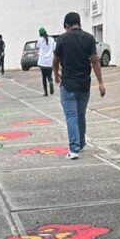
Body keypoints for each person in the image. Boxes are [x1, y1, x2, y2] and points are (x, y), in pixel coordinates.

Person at [53, 11, 105, 160]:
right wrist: (101, 82)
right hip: (84, 85)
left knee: (71, 115)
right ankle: (81, 143)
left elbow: (55, 61)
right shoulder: (89, 38)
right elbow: (95, 60)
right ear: (79, 23)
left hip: (68, 84)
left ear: (67, 25)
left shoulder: (62, 39)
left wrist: (56, 75)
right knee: (81, 115)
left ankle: (74, 149)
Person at [37, 27, 55, 96]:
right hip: (50, 61)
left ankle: (46, 92)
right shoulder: (52, 39)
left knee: (43, 77)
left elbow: (37, 46)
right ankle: (50, 81)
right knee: (49, 75)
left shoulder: (40, 40)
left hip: (42, 61)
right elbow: (54, 49)